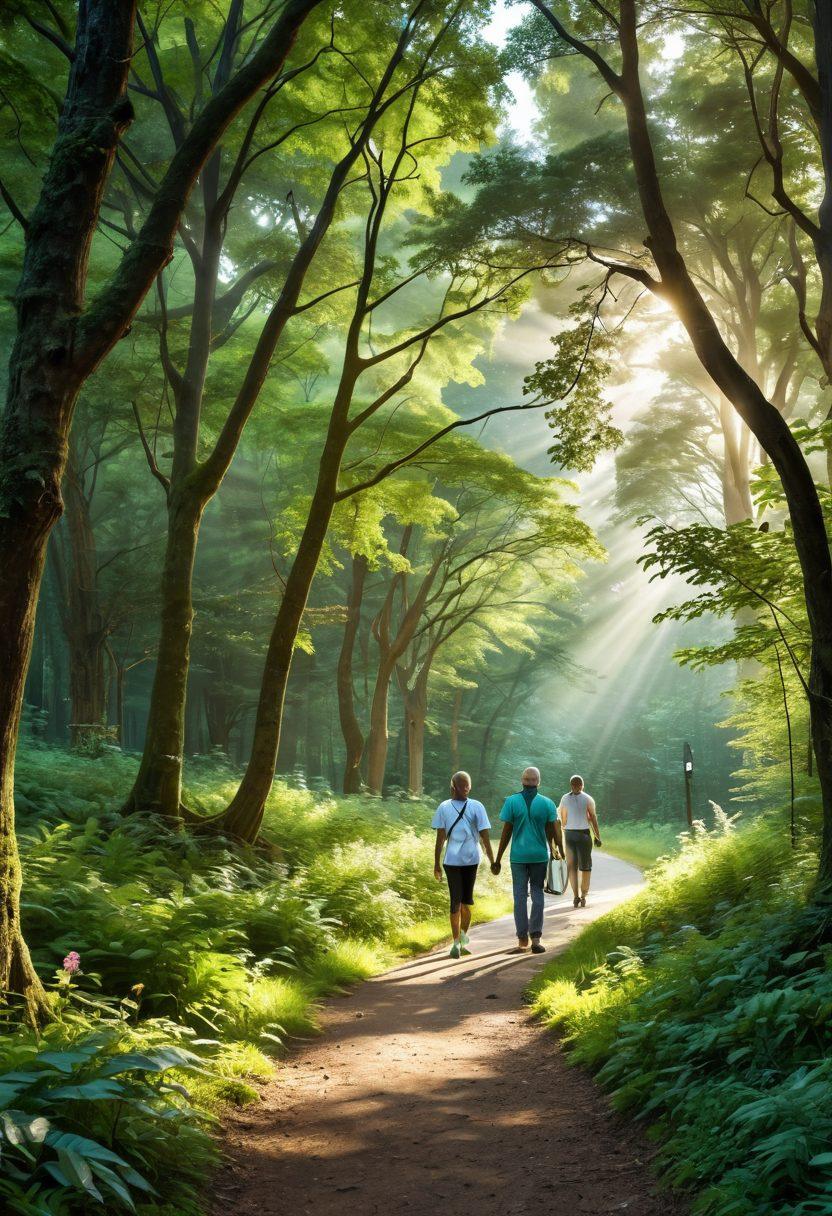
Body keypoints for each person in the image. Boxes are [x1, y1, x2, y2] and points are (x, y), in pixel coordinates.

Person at [492, 766, 563, 954]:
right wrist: (559, 850)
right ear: (538, 782)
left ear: (522, 780)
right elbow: (555, 830)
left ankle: (522, 939)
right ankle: (536, 939)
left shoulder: (512, 801)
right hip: (539, 856)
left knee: (519, 897)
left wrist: (498, 859)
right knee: (538, 894)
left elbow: (506, 832)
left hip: (518, 857)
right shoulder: (547, 803)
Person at [432, 771, 495, 959]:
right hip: (451, 861)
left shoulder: (477, 806)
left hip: (471, 860)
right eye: (461, 785)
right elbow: (440, 838)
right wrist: (436, 864)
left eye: (468, 785)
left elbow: (485, 836)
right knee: (455, 902)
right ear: (453, 787)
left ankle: (463, 938)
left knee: (467, 903)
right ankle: (455, 943)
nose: (465, 788)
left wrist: (493, 861)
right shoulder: (443, 807)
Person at [558, 774, 601, 908]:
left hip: (570, 835)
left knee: (572, 867)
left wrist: (564, 829)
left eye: (577, 785)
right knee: (586, 866)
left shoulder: (565, 798)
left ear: (572, 785)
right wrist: (598, 837)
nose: (577, 787)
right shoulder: (588, 799)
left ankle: (576, 896)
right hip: (583, 835)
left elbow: (563, 819)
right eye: (577, 785)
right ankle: (583, 895)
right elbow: (593, 817)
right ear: (582, 785)